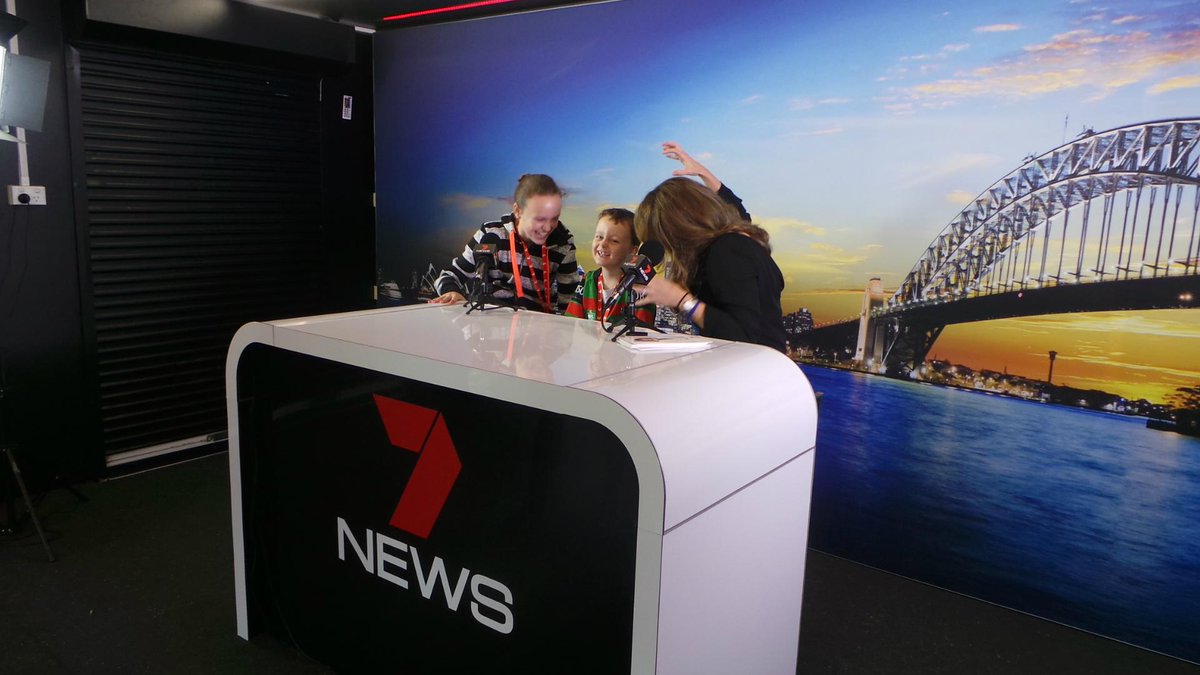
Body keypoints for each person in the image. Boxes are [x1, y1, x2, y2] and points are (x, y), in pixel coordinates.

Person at [632, 176, 787, 352]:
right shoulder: (736, 243)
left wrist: (681, 299)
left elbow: (743, 337)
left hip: (757, 364)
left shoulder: (727, 250)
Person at [430, 174, 578, 313]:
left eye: (554, 218)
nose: (548, 227)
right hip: (487, 323)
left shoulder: (563, 245)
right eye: (540, 219)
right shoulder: (490, 234)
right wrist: (451, 291)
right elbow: (448, 276)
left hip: (536, 326)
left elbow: (569, 308)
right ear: (518, 211)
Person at [564, 207, 656, 325]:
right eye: (599, 237)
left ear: (632, 251)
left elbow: (641, 332)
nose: (602, 244)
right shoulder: (587, 281)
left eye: (614, 241)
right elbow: (569, 324)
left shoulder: (640, 289)